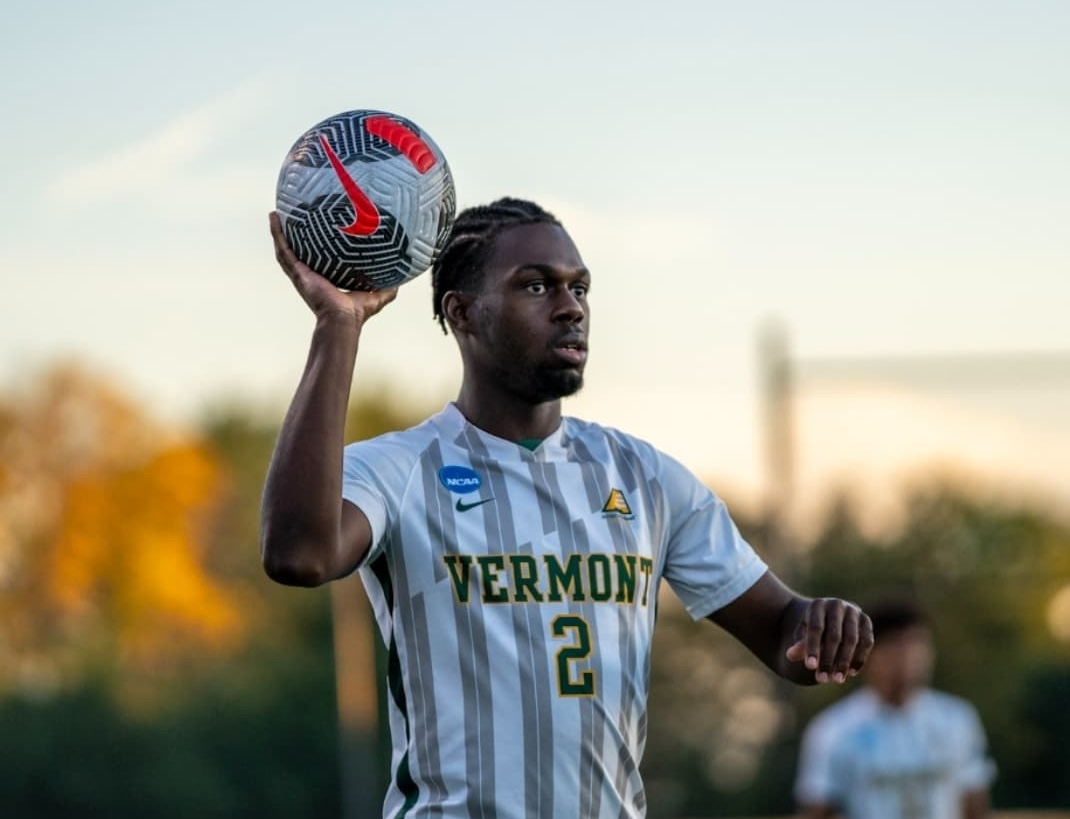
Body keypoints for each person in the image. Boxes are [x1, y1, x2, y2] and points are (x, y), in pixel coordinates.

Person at [261, 197, 874, 819]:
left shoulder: (646, 478)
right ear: (463, 312)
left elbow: (783, 634)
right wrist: (338, 324)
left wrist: (821, 628)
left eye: (580, 288)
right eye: (536, 286)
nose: (570, 307)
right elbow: (299, 556)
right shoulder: (397, 468)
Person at [794, 599, 995, 819]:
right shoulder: (833, 729)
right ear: (866, 653)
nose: (910, 656)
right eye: (897, 644)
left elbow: (975, 804)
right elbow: (817, 810)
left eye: (918, 644)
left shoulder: (957, 718)